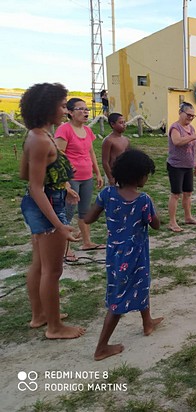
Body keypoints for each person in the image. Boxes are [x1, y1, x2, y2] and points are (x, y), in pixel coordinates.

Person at [19, 82, 85, 339]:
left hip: (46, 200)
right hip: (46, 205)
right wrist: (60, 225)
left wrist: (62, 186)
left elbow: (26, 174)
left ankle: (40, 315)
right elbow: (36, 187)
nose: (65, 109)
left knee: (39, 264)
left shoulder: (37, 135)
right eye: (61, 105)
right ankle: (55, 328)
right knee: (52, 270)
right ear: (48, 108)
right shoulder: (40, 140)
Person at [84, 149, 163, 361]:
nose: (147, 178)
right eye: (146, 175)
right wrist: (154, 210)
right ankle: (101, 347)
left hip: (115, 255)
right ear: (138, 177)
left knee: (141, 284)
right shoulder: (143, 200)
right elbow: (156, 225)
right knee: (119, 300)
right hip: (135, 256)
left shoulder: (107, 194)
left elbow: (89, 218)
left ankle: (147, 323)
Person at [55, 97, 104, 261]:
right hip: (71, 179)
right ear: (70, 112)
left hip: (87, 176)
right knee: (67, 213)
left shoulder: (88, 131)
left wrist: (97, 172)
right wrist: (65, 181)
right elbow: (58, 156)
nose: (85, 112)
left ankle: (87, 242)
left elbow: (91, 153)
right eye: (80, 109)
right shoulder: (64, 130)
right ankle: (64, 249)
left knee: (84, 212)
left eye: (86, 109)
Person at [167, 102, 196, 231]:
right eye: (188, 115)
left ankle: (188, 217)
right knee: (176, 194)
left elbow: (194, 149)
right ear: (180, 113)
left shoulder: (191, 128)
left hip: (188, 165)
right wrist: (194, 136)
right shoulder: (175, 128)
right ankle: (172, 222)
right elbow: (177, 142)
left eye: (193, 116)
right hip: (176, 165)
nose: (190, 118)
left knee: (188, 193)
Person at [102, 113, 130, 186]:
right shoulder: (109, 141)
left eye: (124, 122)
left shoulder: (126, 140)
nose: (124, 125)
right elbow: (105, 162)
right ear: (113, 124)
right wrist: (111, 178)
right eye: (121, 123)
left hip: (125, 174)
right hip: (114, 174)